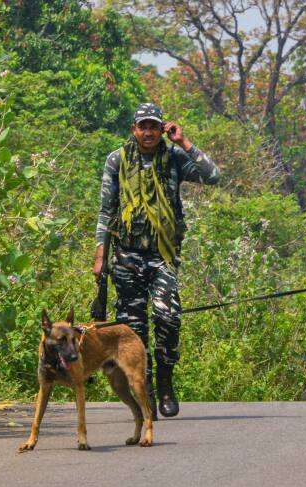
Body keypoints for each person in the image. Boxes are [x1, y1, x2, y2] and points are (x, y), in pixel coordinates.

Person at [93, 103, 220, 419]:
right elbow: (106, 211)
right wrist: (100, 256)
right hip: (126, 257)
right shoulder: (117, 160)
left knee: (168, 318)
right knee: (133, 329)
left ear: (161, 128)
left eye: (154, 126)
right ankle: (144, 389)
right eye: (143, 126)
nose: (148, 132)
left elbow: (213, 176)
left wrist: (184, 142)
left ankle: (165, 383)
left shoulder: (174, 158)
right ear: (134, 129)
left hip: (162, 256)